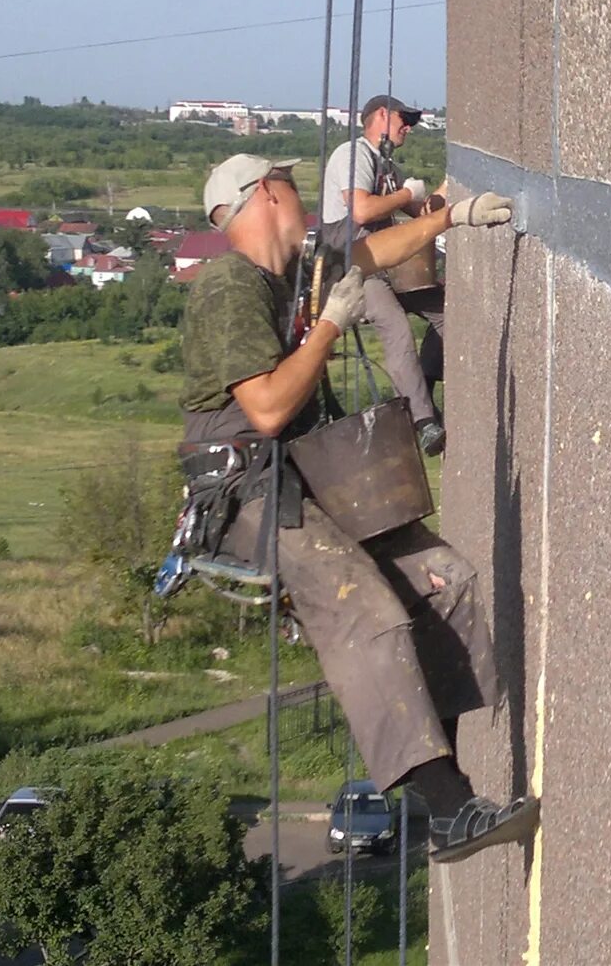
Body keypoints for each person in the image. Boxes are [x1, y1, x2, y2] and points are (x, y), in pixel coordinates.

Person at [176, 152, 536, 864]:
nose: (298, 191)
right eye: (288, 182)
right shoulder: (227, 288)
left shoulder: (296, 268)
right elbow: (270, 407)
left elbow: (369, 250)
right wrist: (330, 328)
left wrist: (455, 218)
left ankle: (449, 793)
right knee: (365, 610)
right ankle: (449, 808)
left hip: (307, 473)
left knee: (445, 581)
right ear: (268, 193)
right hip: (253, 493)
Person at [321, 94, 447, 455]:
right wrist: (408, 192)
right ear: (380, 115)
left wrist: (445, 190)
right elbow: (361, 210)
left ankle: (421, 382)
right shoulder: (354, 154)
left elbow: (421, 212)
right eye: (403, 119)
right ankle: (421, 421)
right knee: (394, 325)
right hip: (353, 268)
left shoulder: (385, 167)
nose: (408, 126)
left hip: (384, 263)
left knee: (446, 309)